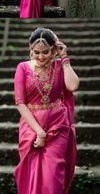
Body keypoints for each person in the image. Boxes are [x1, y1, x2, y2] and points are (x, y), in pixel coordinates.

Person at [14, 27, 79, 194]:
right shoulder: (23, 68)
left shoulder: (59, 66)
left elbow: (72, 86)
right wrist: (39, 133)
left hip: (58, 124)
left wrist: (64, 58)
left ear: (53, 50)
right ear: (30, 49)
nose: (41, 57)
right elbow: (21, 103)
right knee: (31, 174)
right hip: (31, 127)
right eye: (36, 52)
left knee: (53, 175)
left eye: (45, 52)